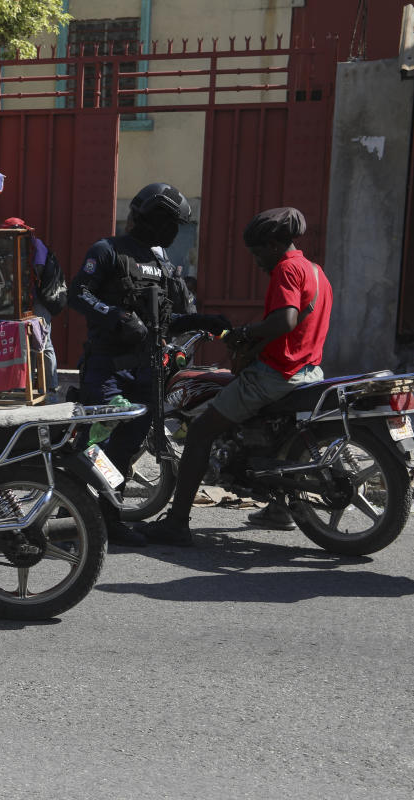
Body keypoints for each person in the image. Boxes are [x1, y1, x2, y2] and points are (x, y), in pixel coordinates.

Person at [139, 207, 332, 546]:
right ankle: (279, 508)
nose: (256, 262)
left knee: (200, 432)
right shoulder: (315, 271)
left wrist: (244, 333)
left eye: (258, 253)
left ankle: (176, 523)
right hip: (309, 371)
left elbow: (284, 322)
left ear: (273, 244)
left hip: (276, 374)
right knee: (274, 438)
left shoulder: (286, 270)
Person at [67, 182, 197, 547]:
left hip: (146, 372)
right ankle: (67, 509)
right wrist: (115, 316)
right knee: (99, 440)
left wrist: (207, 321)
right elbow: (77, 293)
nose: (176, 232)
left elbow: (174, 316)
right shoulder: (107, 251)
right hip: (106, 368)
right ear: (153, 219)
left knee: (123, 450)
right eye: (173, 224)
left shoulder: (162, 264)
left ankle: (107, 519)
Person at [4, 217, 61, 401]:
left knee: (43, 342)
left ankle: (51, 386)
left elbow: (33, 274)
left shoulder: (36, 246)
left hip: (39, 302)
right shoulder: (22, 247)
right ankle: (30, 383)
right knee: (28, 343)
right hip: (27, 302)